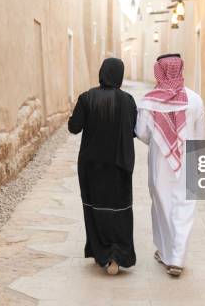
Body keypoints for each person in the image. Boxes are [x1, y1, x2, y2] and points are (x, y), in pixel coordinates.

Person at [135, 53, 205, 277]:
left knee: (163, 205)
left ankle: (167, 253)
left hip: (159, 163)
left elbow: (142, 134)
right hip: (188, 160)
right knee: (184, 206)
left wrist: (160, 142)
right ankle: (177, 257)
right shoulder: (195, 99)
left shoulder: (148, 101)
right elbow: (201, 137)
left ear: (159, 70)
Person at [68, 58, 137, 275]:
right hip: (119, 164)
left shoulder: (86, 98)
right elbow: (133, 129)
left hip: (91, 166)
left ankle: (101, 254)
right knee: (120, 210)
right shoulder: (128, 100)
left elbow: (74, 128)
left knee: (94, 208)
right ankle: (117, 255)